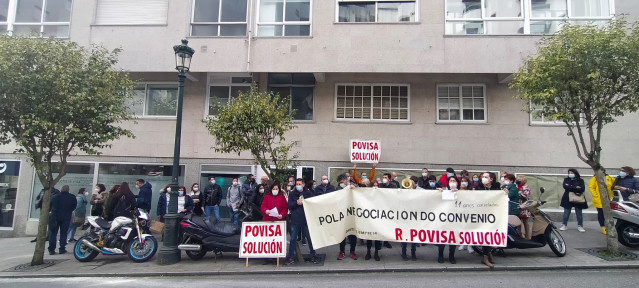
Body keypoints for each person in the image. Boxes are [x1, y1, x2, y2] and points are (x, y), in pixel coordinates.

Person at [286, 178, 318, 265]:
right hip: (295, 220)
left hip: (306, 220)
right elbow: (289, 205)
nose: (298, 186)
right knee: (293, 239)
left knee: (309, 238)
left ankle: (313, 255)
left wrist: (304, 203)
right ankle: (291, 256)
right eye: (297, 184)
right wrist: (297, 203)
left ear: (303, 185)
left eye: (299, 184)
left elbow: (312, 204)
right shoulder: (292, 194)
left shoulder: (308, 193)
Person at [475, 172, 500, 268]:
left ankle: (488, 253)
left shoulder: (497, 187)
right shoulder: (479, 187)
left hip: (494, 215)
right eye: (483, 177)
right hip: (483, 215)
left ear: (491, 179)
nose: (483, 178)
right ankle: (485, 256)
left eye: (486, 177)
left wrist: (505, 192)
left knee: (491, 235)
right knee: (485, 235)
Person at [333, 174, 358, 260]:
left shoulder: (353, 186)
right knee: (342, 235)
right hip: (342, 214)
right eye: (340, 182)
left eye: (342, 182)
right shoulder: (338, 188)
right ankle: (342, 251)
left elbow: (359, 192)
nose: (341, 184)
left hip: (352, 214)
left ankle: (352, 251)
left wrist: (354, 188)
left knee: (352, 234)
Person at [48, 185, 77, 255]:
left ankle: (51, 249)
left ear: (61, 189)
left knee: (53, 233)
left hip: (55, 217)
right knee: (63, 233)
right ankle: (62, 248)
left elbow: (50, 206)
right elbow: (74, 206)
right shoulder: (72, 197)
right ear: (68, 190)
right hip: (66, 217)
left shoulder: (55, 196)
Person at [436, 177, 458, 264]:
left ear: (457, 183)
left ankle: (451, 256)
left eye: (454, 181)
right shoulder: (444, 190)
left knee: (453, 239)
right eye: (450, 181)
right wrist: (437, 192)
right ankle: (440, 255)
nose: (452, 182)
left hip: (455, 219)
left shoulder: (460, 191)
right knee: (442, 238)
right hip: (444, 219)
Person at [589, 170, 614, 234]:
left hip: (608, 198)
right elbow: (591, 188)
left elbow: (613, 186)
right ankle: (603, 227)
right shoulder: (594, 178)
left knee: (608, 213)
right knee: (601, 213)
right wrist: (596, 196)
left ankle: (609, 226)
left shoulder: (609, 178)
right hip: (599, 198)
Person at [401, 176, 419, 261]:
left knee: (414, 237)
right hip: (405, 218)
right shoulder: (402, 192)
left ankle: (413, 253)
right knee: (404, 236)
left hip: (414, 218)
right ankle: (404, 253)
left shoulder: (419, 191)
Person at [457, 176, 474, 254]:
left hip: (470, 211)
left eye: (465, 181)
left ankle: (470, 245)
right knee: (462, 228)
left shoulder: (472, 190)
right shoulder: (458, 190)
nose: (463, 182)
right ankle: (462, 243)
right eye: (462, 181)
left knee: (469, 229)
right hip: (461, 212)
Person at [516, 175, 532, 239]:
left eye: (518, 180)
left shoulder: (526, 188)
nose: (517, 181)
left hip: (524, 206)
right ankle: (519, 235)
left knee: (525, 221)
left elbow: (525, 196)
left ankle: (527, 236)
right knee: (518, 221)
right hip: (517, 205)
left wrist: (517, 193)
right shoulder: (516, 187)